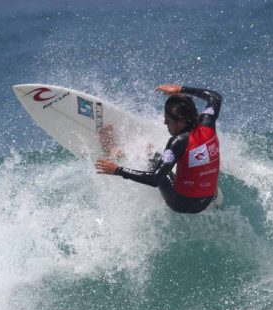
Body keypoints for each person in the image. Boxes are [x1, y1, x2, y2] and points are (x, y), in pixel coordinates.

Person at [95, 84, 222, 213]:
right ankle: (215, 197)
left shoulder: (178, 142)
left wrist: (117, 170)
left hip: (181, 203)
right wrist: (181, 89)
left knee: (153, 158)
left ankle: (114, 151)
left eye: (168, 120)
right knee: (199, 162)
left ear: (181, 121)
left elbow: (155, 179)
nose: (165, 123)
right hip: (206, 199)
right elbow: (215, 97)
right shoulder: (208, 123)